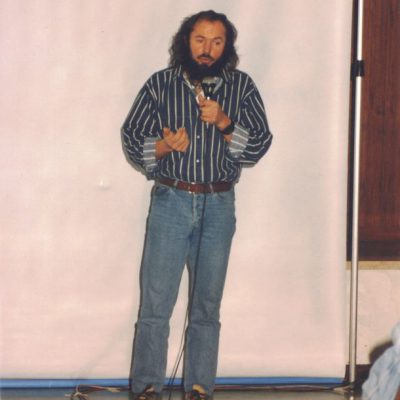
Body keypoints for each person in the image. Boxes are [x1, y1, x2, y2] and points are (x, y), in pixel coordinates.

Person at [122, 10, 273, 400]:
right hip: (171, 202)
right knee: (156, 304)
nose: (207, 49)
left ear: (227, 47)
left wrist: (225, 123)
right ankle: (147, 388)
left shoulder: (242, 87)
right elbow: (131, 139)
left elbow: (259, 145)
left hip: (219, 205)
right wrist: (163, 146)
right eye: (200, 40)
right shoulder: (160, 85)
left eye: (217, 42)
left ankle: (199, 389)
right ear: (185, 42)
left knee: (207, 306)